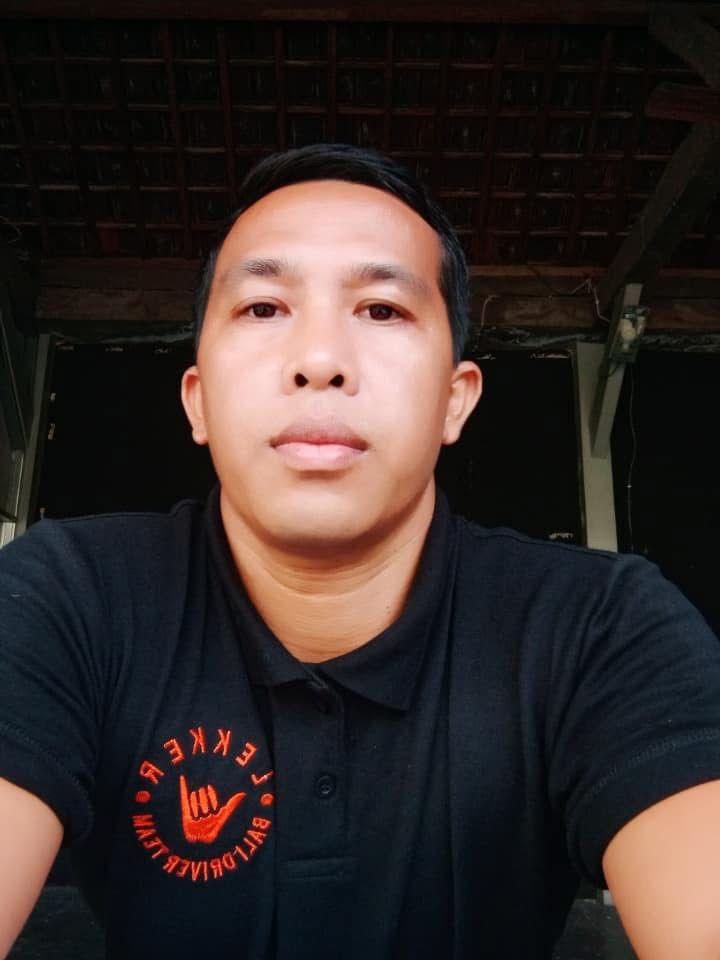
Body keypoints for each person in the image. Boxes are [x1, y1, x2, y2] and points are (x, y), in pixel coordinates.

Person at [1, 143, 720, 960]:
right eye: (263, 308)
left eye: (381, 310)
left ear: (455, 401)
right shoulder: (66, 599)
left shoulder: (599, 626)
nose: (320, 362)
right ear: (197, 400)